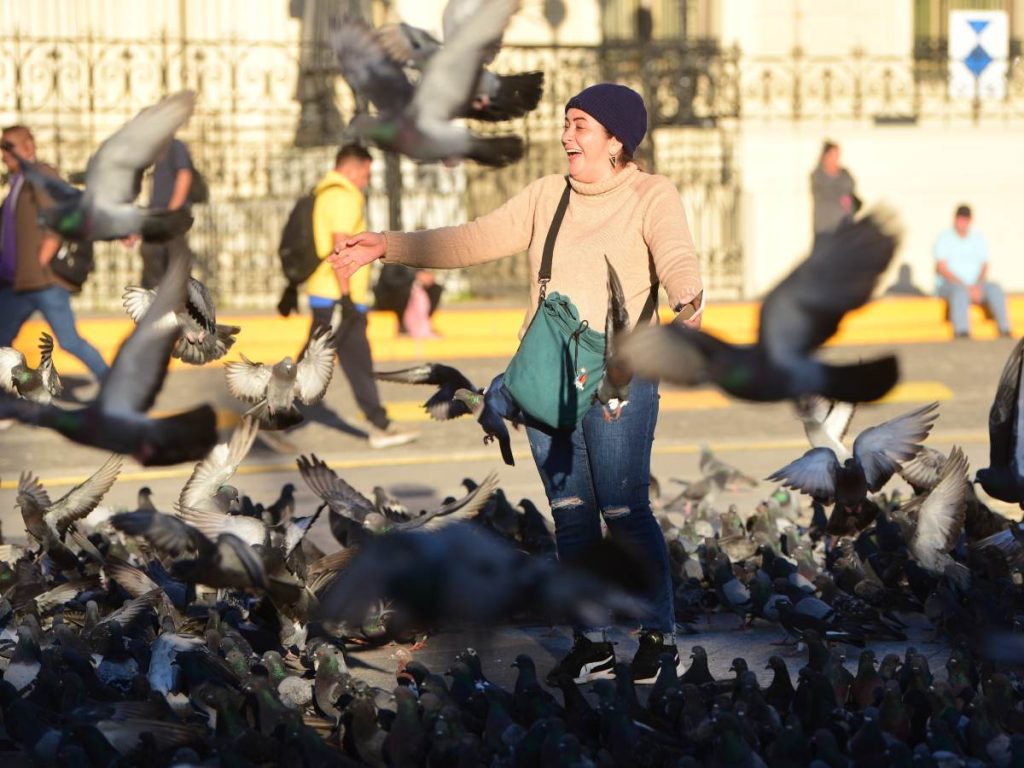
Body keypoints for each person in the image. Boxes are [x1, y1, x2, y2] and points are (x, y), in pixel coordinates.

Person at [330, 84, 703, 684]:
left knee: (624, 509)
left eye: (580, 125)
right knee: (573, 513)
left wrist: (689, 291)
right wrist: (386, 246)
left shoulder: (651, 195)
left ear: (616, 140)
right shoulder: (547, 196)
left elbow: (676, 253)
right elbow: (470, 239)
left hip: (617, 380)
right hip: (544, 381)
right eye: (566, 123)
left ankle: (658, 637)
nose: (566, 136)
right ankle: (593, 645)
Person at [307, 143, 418, 449]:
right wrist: (346, 299)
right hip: (336, 296)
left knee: (353, 362)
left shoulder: (327, 192)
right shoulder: (342, 196)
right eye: (365, 174)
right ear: (353, 168)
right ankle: (265, 417)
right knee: (313, 365)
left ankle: (380, 424)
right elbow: (340, 246)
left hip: (332, 295)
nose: (366, 181)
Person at [0, 125, 109, 382]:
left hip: (44, 281)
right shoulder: (18, 182)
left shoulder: (40, 174)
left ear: (28, 147)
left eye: (8, 147)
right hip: (19, 283)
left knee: (69, 341)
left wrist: (41, 259)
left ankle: (116, 387)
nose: (4, 155)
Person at [934, 204, 1011, 339]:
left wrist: (978, 284)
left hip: (975, 284)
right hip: (951, 284)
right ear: (955, 219)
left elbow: (984, 265)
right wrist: (966, 287)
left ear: (970, 220)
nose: (962, 222)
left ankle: (1004, 329)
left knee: (995, 288)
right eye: (959, 218)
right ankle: (962, 332)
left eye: (965, 219)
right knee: (959, 292)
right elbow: (941, 268)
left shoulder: (978, 238)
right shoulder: (945, 238)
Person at [134, 138, 195, 289]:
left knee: (173, 265)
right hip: (159, 218)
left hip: (168, 219)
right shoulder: (156, 150)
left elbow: (185, 175)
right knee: (152, 259)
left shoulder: (174, 147)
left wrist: (171, 212)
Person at [373, 264, 443, 338]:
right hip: (388, 298)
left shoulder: (416, 260)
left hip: (409, 294)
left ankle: (423, 323)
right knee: (405, 291)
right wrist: (415, 277)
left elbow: (421, 276)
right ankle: (402, 324)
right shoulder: (392, 262)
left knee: (436, 288)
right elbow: (390, 281)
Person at [811, 140, 858, 247]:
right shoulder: (818, 176)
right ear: (825, 156)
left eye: (838, 155)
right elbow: (824, 195)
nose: (836, 158)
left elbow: (851, 188)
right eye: (833, 155)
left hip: (845, 226)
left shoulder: (845, 174)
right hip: (824, 228)